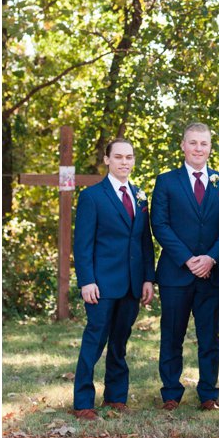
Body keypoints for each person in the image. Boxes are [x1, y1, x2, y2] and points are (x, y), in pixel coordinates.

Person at [152, 122, 219, 411]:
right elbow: (160, 225)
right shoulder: (166, 181)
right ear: (183, 145)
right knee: (172, 333)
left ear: (210, 147)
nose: (198, 148)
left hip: (211, 273)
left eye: (204, 143)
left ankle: (208, 394)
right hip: (176, 272)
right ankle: (171, 394)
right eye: (193, 142)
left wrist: (211, 258)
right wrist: (188, 259)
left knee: (209, 336)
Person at [71, 138, 155, 419]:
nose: (124, 162)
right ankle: (83, 401)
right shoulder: (92, 196)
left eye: (129, 157)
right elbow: (82, 244)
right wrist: (87, 281)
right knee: (95, 340)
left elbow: (145, 241)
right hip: (101, 284)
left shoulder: (140, 196)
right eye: (118, 157)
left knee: (120, 341)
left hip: (132, 283)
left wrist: (147, 278)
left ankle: (116, 396)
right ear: (107, 160)